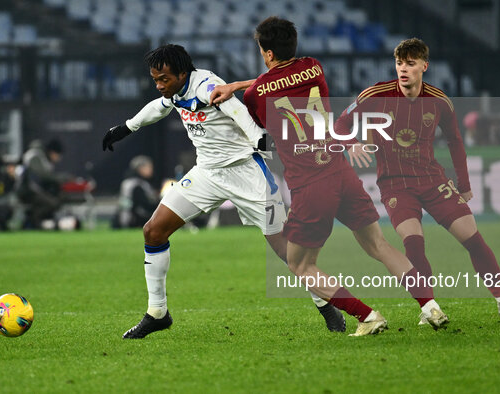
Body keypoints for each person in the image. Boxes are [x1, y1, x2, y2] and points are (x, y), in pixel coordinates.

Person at [210, 17, 448, 336]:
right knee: (379, 244)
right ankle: (430, 305)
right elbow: (281, 80)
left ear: (266, 54)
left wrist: (235, 88)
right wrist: (241, 84)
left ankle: (367, 316)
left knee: (300, 264)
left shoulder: (255, 94)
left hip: (310, 185)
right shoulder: (314, 67)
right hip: (340, 171)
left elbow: (261, 102)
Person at [102, 44, 345, 339]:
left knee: (288, 252)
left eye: (164, 79)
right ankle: (157, 313)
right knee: (153, 231)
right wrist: (126, 127)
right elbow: (160, 106)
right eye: (155, 79)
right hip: (207, 173)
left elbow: (238, 110)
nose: (159, 85)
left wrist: (259, 140)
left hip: (247, 173)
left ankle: (327, 306)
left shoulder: (208, 86)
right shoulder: (174, 92)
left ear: (183, 73)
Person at [335, 37, 500, 321]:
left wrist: (464, 185)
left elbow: (455, 142)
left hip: (432, 180)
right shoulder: (375, 95)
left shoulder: (439, 101)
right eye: (399, 63)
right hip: (395, 184)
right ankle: (428, 307)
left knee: (473, 240)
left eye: (410, 64)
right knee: (414, 243)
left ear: (424, 66)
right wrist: (351, 144)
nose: (403, 69)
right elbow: (341, 122)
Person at [17, 139, 69, 229]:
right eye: (58, 155)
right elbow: (43, 175)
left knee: (58, 198)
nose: (58, 159)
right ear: (53, 152)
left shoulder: (43, 158)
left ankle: (35, 222)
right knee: (52, 203)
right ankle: (32, 222)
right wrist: (63, 178)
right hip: (26, 190)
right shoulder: (34, 155)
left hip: (34, 189)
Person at [112, 155, 159, 229]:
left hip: (121, 218)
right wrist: (161, 202)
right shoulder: (137, 184)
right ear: (140, 168)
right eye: (149, 167)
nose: (151, 170)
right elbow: (144, 206)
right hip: (131, 220)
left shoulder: (129, 181)